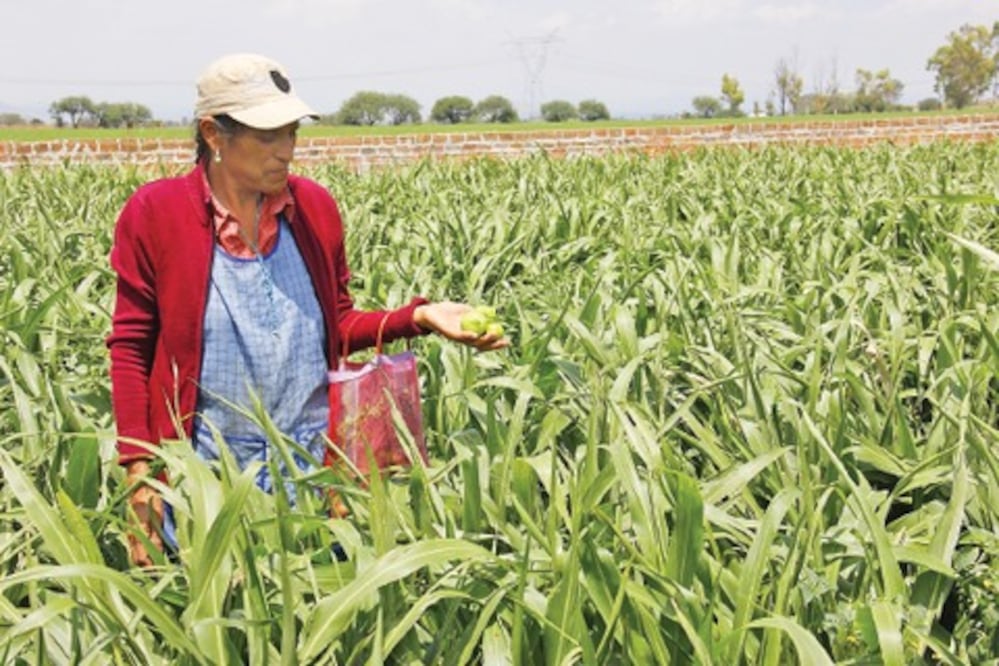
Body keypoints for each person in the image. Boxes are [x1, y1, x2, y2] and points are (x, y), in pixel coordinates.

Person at [107, 52, 507, 567]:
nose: (287, 151)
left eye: (292, 132)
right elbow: (131, 348)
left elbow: (337, 324)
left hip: (314, 467)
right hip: (205, 473)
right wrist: (140, 472)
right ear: (213, 134)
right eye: (269, 136)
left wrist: (421, 318)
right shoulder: (157, 213)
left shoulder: (312, 207)